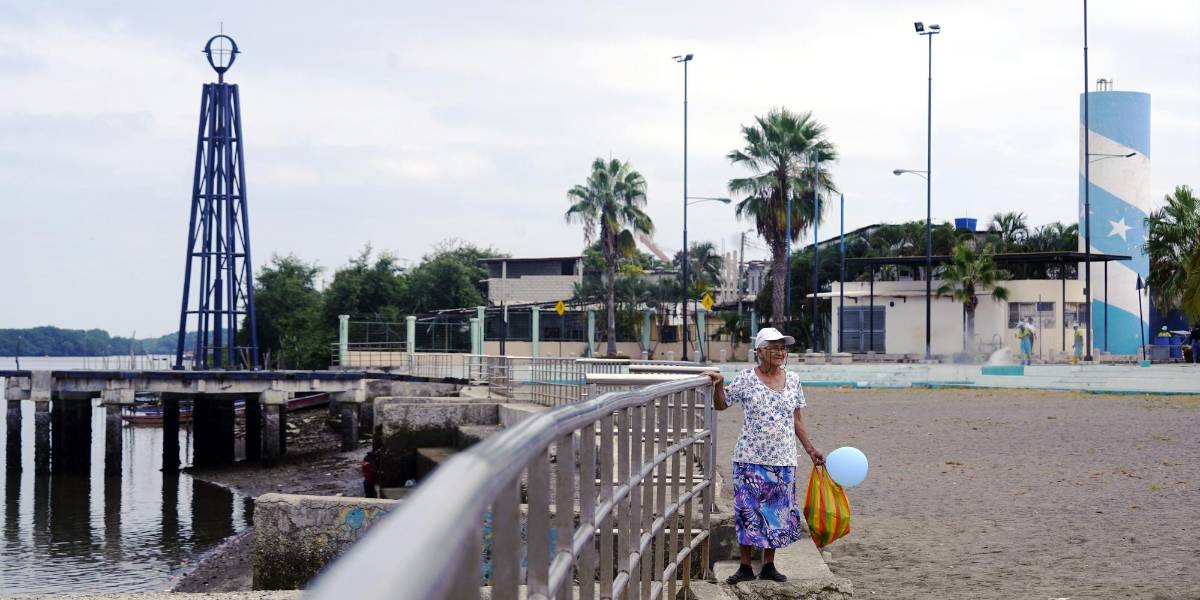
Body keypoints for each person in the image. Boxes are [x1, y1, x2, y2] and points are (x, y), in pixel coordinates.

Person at [705, 327, 824, 585]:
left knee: (777, 514)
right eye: (774, 347)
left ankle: (769, 564)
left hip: (783, 458)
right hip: (749, 457)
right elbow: (722, 404)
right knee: (748, 513)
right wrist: (719, 383)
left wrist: (810, 449)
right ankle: (745, 566)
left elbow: (797, 420)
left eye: (783, 347)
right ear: (759, 351)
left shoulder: (793, 379)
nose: (780, 352)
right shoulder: (747, 378)